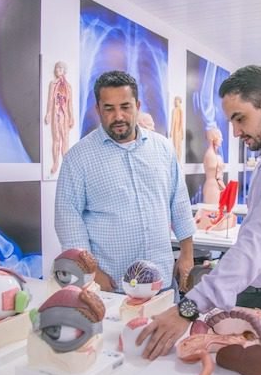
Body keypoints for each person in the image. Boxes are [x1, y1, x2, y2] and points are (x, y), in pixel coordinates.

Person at [137, 65, 261, 360]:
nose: (235, 131)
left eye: (240, 118)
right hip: (257, 290)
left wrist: (187, 309)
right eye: (232, 121)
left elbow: (256, 244)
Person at [55, 70, 196, 294]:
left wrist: (187, 254)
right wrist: (92, 273)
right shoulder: (78, 158)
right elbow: (68, 220)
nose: (118, 116)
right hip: (113, 285)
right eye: (109, 109)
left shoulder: (163, 148)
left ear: (137, 105)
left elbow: (179, 202)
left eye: (125, 107)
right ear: (98, 110)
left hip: (163, 280)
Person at [45, 61, 75, 175]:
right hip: (56, 114)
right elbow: (50, 100)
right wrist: (48, 113)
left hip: (65, 115)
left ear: (64, 71)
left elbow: (70, 103)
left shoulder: (68, 86)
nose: (57, 70)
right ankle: (56, 162)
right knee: (56, 138)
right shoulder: (53, 84)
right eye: (57, 68)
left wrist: (72, 117)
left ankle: (66, 163)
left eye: (60, 68)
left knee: (65, 138)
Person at [202, 128, 226, 204]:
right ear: (214, 138)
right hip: (212, 188)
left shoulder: (214, 154)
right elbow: (216, 176)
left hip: (214, 186)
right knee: (213, 209)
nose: (222, 139)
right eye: (220, 137)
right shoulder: (210, 155)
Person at [170, 96, 184, 162]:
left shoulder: (180, 110)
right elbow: (173, 121)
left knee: (179, 145)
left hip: (178, 130)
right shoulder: (174, 110)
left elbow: (181, 122)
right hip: (175, 130)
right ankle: (176, 160)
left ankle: (178, 160)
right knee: (175, 145)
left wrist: (182, 132)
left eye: (177, 101)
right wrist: (171, 130)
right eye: (175, 101)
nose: (175, 102)